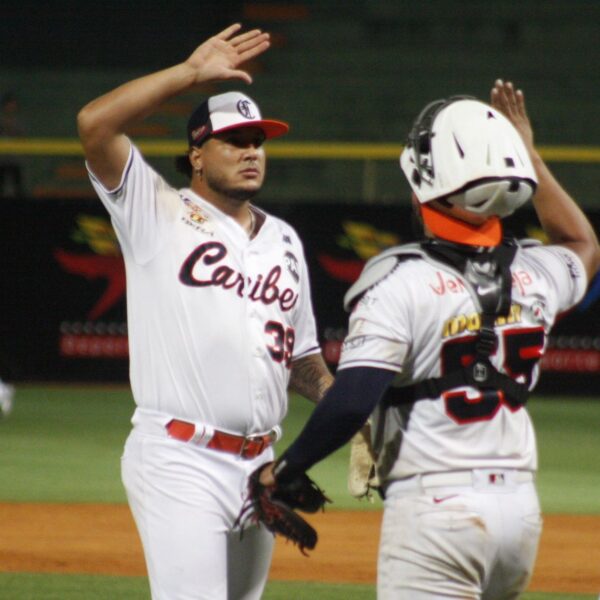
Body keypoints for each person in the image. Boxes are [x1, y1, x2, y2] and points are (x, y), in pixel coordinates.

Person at [259, 80, 600, 598]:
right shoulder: (538, 271)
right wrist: (528, 154)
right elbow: (582, 242)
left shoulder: (399, 280)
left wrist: (285, 469)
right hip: (520, 512)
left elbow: (352, 402)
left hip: (436, 510)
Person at [77, 24, 333, 600]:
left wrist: (354, 410)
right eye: (234, 140)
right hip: (180, 458)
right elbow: (95, 124)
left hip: (261, 468)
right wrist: (189, 74)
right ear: (196, 154)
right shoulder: (154, 211)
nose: (251, 151)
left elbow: (304, 358)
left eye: (258, 141)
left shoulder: (285, 241)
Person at [0, 91, 25, 197]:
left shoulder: (18, 121)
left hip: (15, 160)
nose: (11, 107)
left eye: (13, 105)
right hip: (1, 160)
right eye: (9, 104)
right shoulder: (1, 120)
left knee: (18, 189)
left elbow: (23, 138)